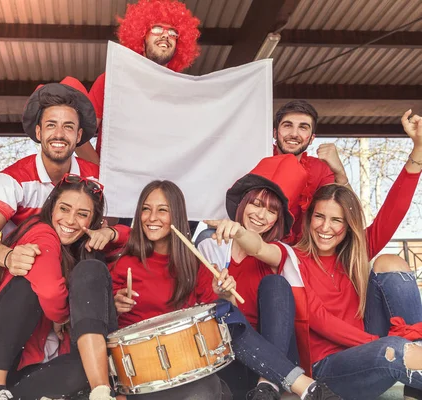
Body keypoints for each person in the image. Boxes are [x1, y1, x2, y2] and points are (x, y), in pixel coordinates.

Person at [212, 109, 422, 399]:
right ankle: (411, 356)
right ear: (308, 219)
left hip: (374, 349)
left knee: (391, 263)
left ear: (347, 226)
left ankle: (415, 375)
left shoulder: (354, 253)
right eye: (319, 217)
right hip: (329, 368)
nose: (325, 228)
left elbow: (393, 211)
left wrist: (418, 151)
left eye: (336, 220)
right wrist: (236, 230)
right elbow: (259, 247)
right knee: (397, 349)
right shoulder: (291, 258)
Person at [111, 180, 339, 400]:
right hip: (146, 368)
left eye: (162, 210)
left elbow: (227, 320)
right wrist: (115, 305)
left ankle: (273, 385)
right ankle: (307, 387)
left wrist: (223, 293)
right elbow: (106, 323)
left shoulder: (194, 262)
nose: (152, 217)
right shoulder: (122, 263)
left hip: (206, 359)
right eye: (146, 209)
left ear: (176, 216)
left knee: (225, 311)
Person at [0, 77, 106, 338]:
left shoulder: (97, 177)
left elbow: (106, 232)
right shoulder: (13, 178)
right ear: (38, 132)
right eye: (51, 125)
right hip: (24, 265)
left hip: (76, 264)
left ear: (79, 136)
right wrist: (9, 257)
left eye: (68, 127)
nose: (59, 134)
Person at [0, 174, 126, 400]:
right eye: (64, 209)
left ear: (92, 222)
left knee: (88, 368)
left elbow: (132, 238)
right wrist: (64, 316)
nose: (71, 220)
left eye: (82, 214)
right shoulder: (42, 233)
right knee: (28, 284)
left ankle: (102, 392)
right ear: (52, 208)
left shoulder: (80, 251)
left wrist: (111, 232)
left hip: (25, 370)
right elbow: (51, 293)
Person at [196, 154, 308, 398]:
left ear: (277, 220)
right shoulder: (210, 247)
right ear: (243, 204)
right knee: (221, 310)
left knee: (275, 283)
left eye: (271, 211)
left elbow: (257, 247)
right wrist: (227, 297)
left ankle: (268, 385)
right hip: (230, 357)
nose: (260, 214)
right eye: (256, 204)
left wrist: (239, 232)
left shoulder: (281, 254)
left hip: (275, 363)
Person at [77, 0, 200, 164]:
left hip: (162, 184)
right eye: (157, 29)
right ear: (141, 38)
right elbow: (79, 137)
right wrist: (101, 174)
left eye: (173, 32)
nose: (165, 35)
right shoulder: (111, 80)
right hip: (115, 183)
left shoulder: (181, 90)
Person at [273, 100, 349, 243]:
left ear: (312, 138)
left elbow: (349, 213)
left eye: (303, 127)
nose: (294, 134)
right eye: (288, 125)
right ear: (275, 132)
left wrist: (339, 172)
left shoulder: (319, 169)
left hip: (301, 253)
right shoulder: (258, 157)